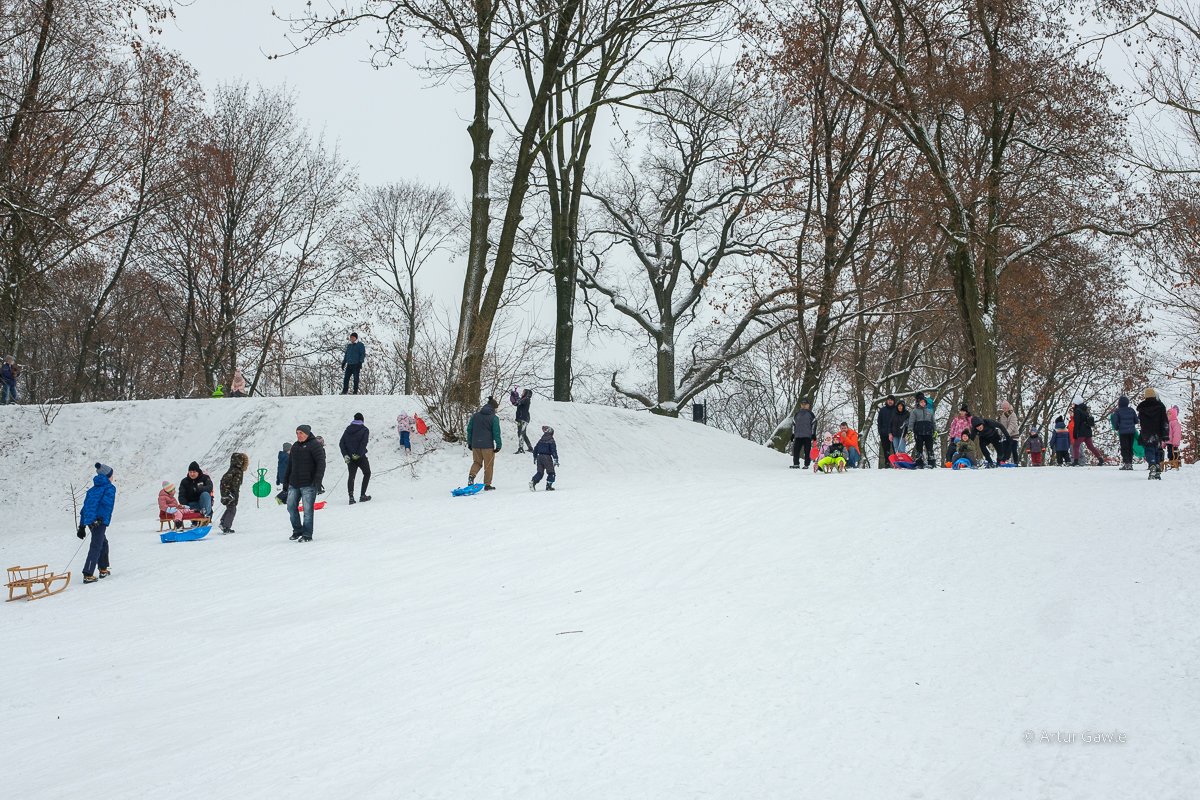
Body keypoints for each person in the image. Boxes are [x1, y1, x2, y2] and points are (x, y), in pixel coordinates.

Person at [284, 424, 326, 541]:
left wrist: (318, 480)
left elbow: (321, 463)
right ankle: (297, 530)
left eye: (301, 433)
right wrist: (286, 481)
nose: (299, 435)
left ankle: (307, 534)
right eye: (297, 433)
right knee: (291, 507)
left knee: (307, 511)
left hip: (309, 484)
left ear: (307, 433)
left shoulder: (314, 445)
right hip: (294, 483)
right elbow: (290, 465)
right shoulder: (295, 446)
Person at [78, 463, 117, 583]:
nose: (113, 477)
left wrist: (82, 526)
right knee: (96, 545)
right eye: (111, 475)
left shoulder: (92, 490)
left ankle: (103, 568)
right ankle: (88, 573)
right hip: (99, 521)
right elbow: (106, 505)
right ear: (107, 476)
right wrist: (100, 519)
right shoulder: (109, 488)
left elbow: (85, 509)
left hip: (91, 521)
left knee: (103, 543)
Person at [466, 397, 502, 490]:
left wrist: (469, 442)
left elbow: (469, 429)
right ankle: (487, 484)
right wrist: (498, 445)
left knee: (477, 462)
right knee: (488, 465)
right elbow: (496, 433)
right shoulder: (494, 418)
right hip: (487, 446)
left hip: (475, 444)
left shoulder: (475, 416)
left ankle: (471, 476)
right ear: (493, 408)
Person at [1136, 388, 1169, 480]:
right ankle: (1157, 466)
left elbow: (1141, 421)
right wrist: (1165, 434)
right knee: (1157, 450)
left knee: (1149, 450)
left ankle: (1152, 464)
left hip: (1146, 433)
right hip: (1158, 432)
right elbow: (1165, 421)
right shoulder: (1160, 406)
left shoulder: (1142, 408)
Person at [340, 412, 372, 504]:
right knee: (367, 473)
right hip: (360, 457)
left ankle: (351, 497)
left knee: (351, 476)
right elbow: (363, 443)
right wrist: (358, 454)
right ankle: (362, 495)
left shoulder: (347, 430)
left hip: (350, 457)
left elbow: (341, 443)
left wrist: (345, 455)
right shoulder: (364, 430)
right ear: (362, 420)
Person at [1070, 396, 1107, 466]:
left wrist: (1075, 432)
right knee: (1090, 446)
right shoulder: (1085, 410)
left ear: (1076, 403)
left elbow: (1077, 423)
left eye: (1073, 403)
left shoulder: (1077, 411)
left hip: (1081, 432)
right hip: (1088, 431)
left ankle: (1076, 461)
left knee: (1076, 445)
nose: (1073, 404)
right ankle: (1100, 459)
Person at [219, 453, 249, 533]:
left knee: (230, 508)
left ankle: (223, 522)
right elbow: (235, 485)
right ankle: (226, 527)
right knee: (232, 509)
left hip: (225, 491)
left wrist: (224, 493)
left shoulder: (231, 470)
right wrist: (233, 495)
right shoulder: (238, 472)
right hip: (230, 493)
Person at [1110, 395, 1139, 470]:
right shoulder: (1131, 410)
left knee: (1124, 447)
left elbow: (1115, 421)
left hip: (1123, 432)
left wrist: (1117, 427)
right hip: (1131, 431)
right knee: (1130, 447)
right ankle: (1130, 463)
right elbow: (1136, 420)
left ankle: (1126, 463)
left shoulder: (1118, 411)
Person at [529, 425, 559, 491]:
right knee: (551, 472)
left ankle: (533, 482)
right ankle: (549, 486)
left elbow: (535, 449)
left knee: (540, 472)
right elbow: (553, 450)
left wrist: (535, 457)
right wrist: (555, 459)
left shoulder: (541, 440)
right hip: (547, 457)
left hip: (539, 457)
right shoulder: (551, 440)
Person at [911, 393, 936, 468]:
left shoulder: (930, 411)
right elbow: (911, 422)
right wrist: (910, 430)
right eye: (921, 402)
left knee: (930, 448)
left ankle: (931, 462)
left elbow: (933, 422)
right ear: (918, 402)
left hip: (929, 432)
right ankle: (919, 463)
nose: (923, 403)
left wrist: (935, 430)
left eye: (924, 402)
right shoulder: (915, 411)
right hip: (918, 432)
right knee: (919, 448)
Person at [790, 400, 817, 469]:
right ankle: (796, 464)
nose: (804, 405)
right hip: (798, 435)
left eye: (805, 404)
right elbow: (793, 424)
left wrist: (813, 434)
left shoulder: (811, 414)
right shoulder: (797, 414)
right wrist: (793, 434)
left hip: (807, 436)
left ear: (808, 405)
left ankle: (806, 464)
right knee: (796, 450)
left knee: (807, 451)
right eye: (802, 404)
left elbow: (814, 423)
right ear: (800, 405)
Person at [997, 401, 1021, 465]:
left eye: (1006, 408)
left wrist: (1006, 433)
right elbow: (1001, 425)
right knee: (1004, 447)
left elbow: (1012, 425)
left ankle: (1016, 462)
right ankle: (1003, 460)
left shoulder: (1012, 414)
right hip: (1006, 435)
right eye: (1003, 408)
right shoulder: (1002, 415)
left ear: (1008, 407)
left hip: (1013, 434)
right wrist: (999, 433)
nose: (1004, 409)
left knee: (1013, 448)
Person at [876, 395, 897, 468]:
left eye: (891, 400)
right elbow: (879, 421)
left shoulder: (896, 409)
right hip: (884, 432)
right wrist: (880, 431)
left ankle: (897, 463)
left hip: (894, 433)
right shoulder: (882, 410)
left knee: (896, 449)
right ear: (886, 401)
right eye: (889, 400)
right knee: (886, 449)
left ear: (894, 401)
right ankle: (887, 463)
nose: (890, 401)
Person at [515, 389, 534, 453]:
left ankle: (521, 448)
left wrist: (516, 397)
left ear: (527, 393)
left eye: (524, 392)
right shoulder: (523, 399)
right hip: (520, 419)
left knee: (521, 433)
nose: (522, 393)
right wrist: (514, 396)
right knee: (522, 433)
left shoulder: (526, 399)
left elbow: (519, 402)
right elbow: (516, 403)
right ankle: (530, 447)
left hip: (524, 419)